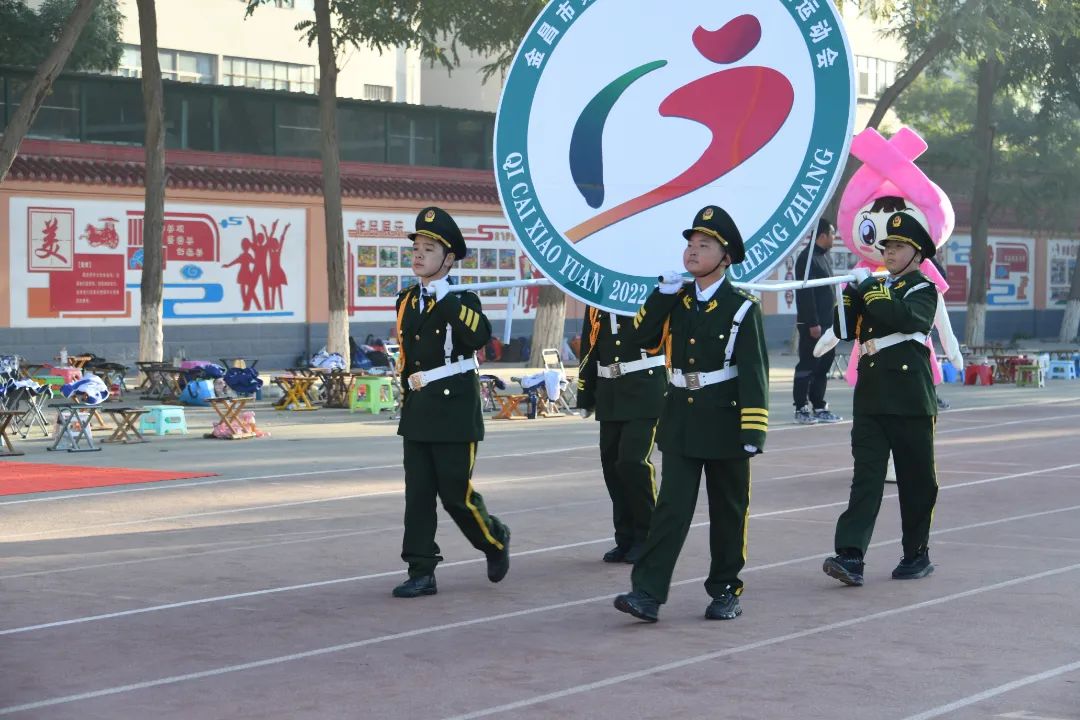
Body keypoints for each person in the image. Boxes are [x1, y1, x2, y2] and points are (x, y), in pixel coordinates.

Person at [613, 205, 769, 623]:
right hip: (681, 418)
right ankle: (647, 592)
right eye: (691, 244)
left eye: (704, 245)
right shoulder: (677, 300)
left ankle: (725, 590)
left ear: (726, 257)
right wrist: (660, 296)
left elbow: (754, 372)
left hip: (725, 422)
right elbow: (641, 338)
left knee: (728, 511)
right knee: (670, 510)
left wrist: (753, 431)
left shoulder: (742, 306)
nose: (693, 251)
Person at [391, 206, 511, 598]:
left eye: (429, 249)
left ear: (448, 259)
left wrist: (446, 300)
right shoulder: (406, 300)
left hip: (454, 409)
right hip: (419, 410)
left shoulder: (463, 299)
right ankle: (421, 569)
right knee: (418, 496)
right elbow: (409, 357)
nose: (419, 255)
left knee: (456, 495)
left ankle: (494, 539)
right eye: (416, 249)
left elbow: (479, 337)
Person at [822, 212, 940, 587]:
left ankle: (916, 553)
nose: (889, 252)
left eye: (899, 247)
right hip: (871, 398)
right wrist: (846, 295)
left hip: (909, 400)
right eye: (887, 246)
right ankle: (850, 555)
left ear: (917, 254)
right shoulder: (876, 288)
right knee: (866, 480)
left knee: (916, 482)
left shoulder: (923, 289)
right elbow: (845, 330)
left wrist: (870, 288)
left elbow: (904, 319)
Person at [576, 304, 666, 564]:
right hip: (610, 391)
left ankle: (647, 537)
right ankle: (625, 538)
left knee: (633, 461)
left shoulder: (649, 290)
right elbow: (590, 344)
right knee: (612, 465)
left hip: (645, 386)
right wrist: (585, 392)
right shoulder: (597, 298)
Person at [793, 218, 842, 424]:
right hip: (813, 326)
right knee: (808, 365)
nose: (834, 237)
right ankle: (801, 408)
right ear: (822, 235)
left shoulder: (823, 257)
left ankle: (819, 406)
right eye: (832, 234)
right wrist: (813, 323)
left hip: (829, 325)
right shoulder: (806, 258)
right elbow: (806, 294)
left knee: (823, 366)